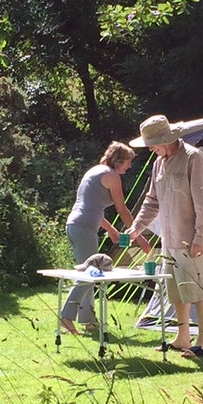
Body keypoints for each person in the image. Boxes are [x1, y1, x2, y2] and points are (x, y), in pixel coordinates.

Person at [126, 115, 203, 358]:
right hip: (169, 239)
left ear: (166, 138)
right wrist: (136, 228)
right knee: (175, 291)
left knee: (198, 291)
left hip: (189, 239)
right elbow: (152, 201)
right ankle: (182, 337)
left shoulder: (193, 158)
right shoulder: (158, 164)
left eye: (153, 143)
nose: (151, 149)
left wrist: (200, 238)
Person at [60, 142, 147, 335]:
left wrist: (112, 230)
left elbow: (92, 206)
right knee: (90, 274)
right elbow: (122, 209)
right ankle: (66, 317)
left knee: (89, 272)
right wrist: (138, 234)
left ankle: (89, 320)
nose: (129, 166)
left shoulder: (95, 171)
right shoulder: (112, 176)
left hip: (75, 226)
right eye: (128, 162)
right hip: (84, 228)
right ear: (119, 160)